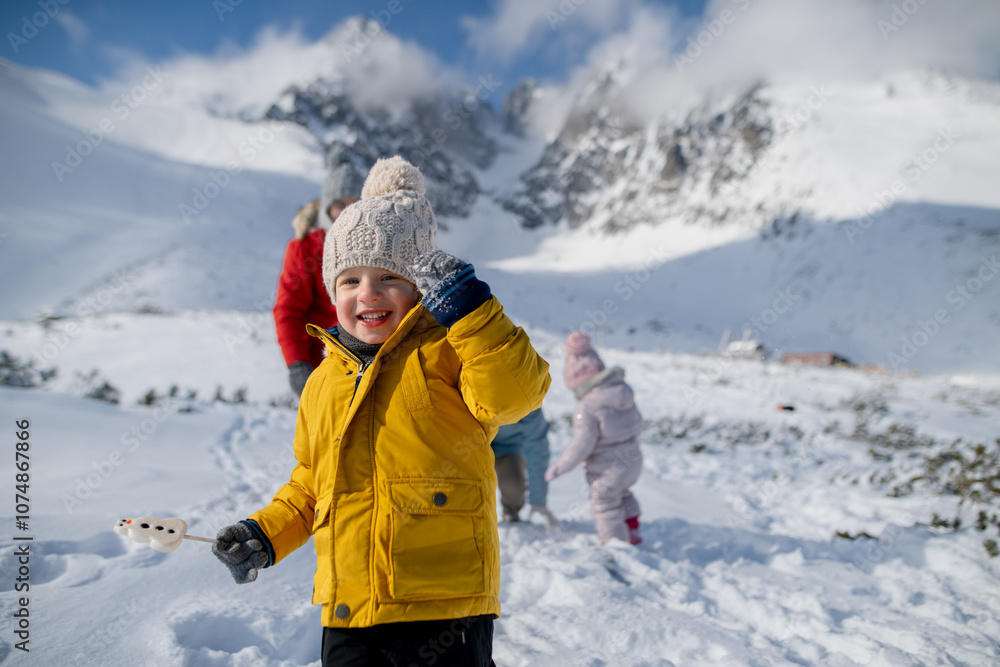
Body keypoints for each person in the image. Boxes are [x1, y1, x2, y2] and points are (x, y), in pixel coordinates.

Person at [212, 156, 551, 667]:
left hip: (443, 604)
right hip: (349, 608)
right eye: (350, 280)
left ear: (418, 287)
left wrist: (473, 314)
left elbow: (515, 395)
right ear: (332, 291)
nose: (367, 293)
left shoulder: (447, 348)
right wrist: (265, 534)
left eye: (388, 276)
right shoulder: (324, 380)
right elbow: (311, 482)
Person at [274, 144, 363, 396]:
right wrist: (297, 364)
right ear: (327, 208)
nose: (348, 210)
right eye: (340, 204)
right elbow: (288, 310)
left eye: (355, 202)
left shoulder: (374, 246)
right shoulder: (306, 248)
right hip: (324, 368)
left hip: (372, 364)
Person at [545, 331, 643, 545]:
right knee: (623, 493)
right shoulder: (622, 390)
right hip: (633, 459)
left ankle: (615, 546)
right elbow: (638, 422)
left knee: (605, 502)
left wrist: (560, 466)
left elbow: (582, 444)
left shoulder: (587, 407)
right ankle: (632, 529)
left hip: (608, 468)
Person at [491, 408, 559, 527]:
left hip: (509, 447)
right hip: (474, 445)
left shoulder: (528, 401)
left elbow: (537, 449)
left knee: (513, 486)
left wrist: (538, 501)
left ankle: (511, 514)